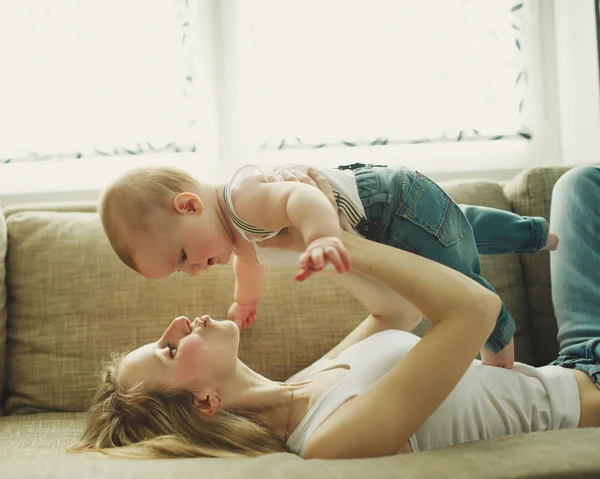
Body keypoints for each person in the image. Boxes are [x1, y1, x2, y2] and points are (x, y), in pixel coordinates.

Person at [72, 167, 600, 460]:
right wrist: (345, 240)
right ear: (206, 402)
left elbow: (395, 314)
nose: (179, 321)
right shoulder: (330, 439)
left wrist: (319, 239)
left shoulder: (308, 381)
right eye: (168, 348)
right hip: (593, 396)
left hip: (576, 359)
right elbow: (476, 310)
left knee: (579, 187)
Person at [98, 163, 558, 369]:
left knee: (456, 269)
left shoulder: (242, 200)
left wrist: (321, 237)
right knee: (455, 228)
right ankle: (534, 234)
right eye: (181, 271)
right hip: (391, 215)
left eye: (182, 257)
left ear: (189, 204)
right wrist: (245, 300)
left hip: (388, 203)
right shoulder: (237, 237)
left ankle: (498, 359)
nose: (194, 270)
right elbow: (252, 263)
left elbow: (302, 196)